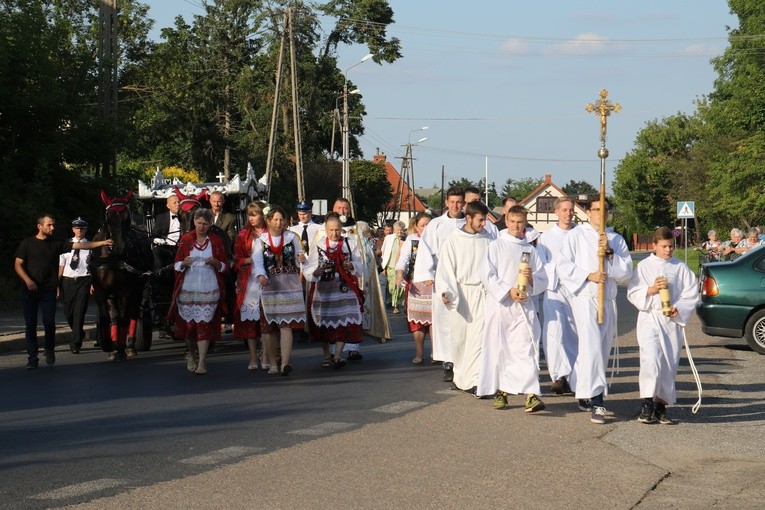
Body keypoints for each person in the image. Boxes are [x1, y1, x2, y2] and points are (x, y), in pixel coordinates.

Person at [557, 198, 633, 424]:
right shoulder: (576, 236)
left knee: (601, 348)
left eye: (605, 210)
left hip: (607, 300)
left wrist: (610, 253)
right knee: (592, 347)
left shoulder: (616, 239)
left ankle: (584, 391)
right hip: (586, 297)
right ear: (588, 212)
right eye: (596, 210)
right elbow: (563, 266)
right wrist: (588, 275)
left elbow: (626, 272)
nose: (600, 214)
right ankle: (598, 400)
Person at [14, 214, 113, 369]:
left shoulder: (57, 244)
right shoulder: (27, 244)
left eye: (53, 224)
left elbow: (80, 246)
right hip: (30, 290)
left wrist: (103, 242)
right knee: (30, 324)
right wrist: (27, 280)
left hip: (48, 290)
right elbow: (18, 264)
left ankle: (49, 350)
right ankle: (32, 358)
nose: (52, 227)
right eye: (49, 225)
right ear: (39, 226)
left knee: (49, 322)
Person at [479, 205, 548, 412]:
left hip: (524, 307)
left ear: (526, 223)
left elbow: (544, 278)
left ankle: (531, 395)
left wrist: (532, 280)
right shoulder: (496, 246)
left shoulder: (531, 249)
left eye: (521, 222)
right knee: (502, 349)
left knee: (526, 349)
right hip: (501, 307)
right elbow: (486, 274)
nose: (517, 226)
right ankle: (501, 392)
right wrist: (507, 290)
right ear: (507, 222)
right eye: (513, 222)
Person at [627, 227, 699, 424]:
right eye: (664, 246)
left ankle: (661, 406)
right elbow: (633, 292)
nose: (668, 250)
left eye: (671, 246)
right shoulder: (644, 266)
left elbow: (691, 292)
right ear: (654, 246)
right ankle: (647, 403)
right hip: (650, 317)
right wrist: (650, 290)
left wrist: (679, 309)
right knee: (651, 359)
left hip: (670, 321)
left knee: (668, 363)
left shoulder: (680, 267)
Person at [435, 201, 493, 392]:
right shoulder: (453, 239)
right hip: (460, 292)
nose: (484, 224)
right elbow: (445, 268)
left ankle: (474, 380)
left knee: (479, 337)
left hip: (481, 293)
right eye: (481, 220)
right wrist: (446, 291)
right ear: (468, 218)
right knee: (460, 338)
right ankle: (460, 376)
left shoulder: (489, 240)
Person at [413, 186, 467, 382]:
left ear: (464, 203)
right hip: (442, 278)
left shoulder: (468, 224)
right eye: (452, 202)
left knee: (463, 321)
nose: (455, 205)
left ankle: (463, 361)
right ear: (446, 203)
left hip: (464, 279)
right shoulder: (435, 225)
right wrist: (427, 273)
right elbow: (425, 250)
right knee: (444, 323)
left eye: (459, 202)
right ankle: (447, 362)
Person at [168, 208, 228, 375]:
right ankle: (192, 354)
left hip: (209, 287)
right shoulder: (186, 240)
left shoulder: (215, 241)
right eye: (199, 223)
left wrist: (217, 263)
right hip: (189, 287)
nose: (201, 226)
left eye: (205, 224)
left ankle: (202, 361)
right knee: (190, 326)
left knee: (204, 324)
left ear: (210, 224)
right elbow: (176, 265)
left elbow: (225, 266)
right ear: (194, 222)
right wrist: (184, 263)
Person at [305, 213, 364, 369]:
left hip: (343, 288)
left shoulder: (349, 244)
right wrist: (315, 272)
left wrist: (351, 266)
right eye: (331, 230)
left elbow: (359, 264)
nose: (334, 233)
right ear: (326, 229)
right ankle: (327, 356)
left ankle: (337, 355)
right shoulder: (319, 245)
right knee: (323, 323)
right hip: (324, 289)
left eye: (337, 230)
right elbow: (309, 267)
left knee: (344, 321)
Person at [252, 205, 306, 376]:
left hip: (289, 286)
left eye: (281, 219)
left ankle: (285, 363)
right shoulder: (260, 240)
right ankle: (273, 362)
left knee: (286, 325)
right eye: (275, 219)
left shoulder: (292, 238)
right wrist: (261, 276)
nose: (279, 222)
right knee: (270, 326)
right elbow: (258, 263)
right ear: (268, 221)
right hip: (270, 286)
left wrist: (302, 258)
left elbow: (300, 260)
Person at [536, 197, 578, 395]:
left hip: (576, 290)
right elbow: (541, 264)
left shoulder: (580, 234)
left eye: (571, 210)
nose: (568, 214)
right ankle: (558, 376)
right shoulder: (546, 238)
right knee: (554, 331)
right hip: (555, 289)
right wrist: (559, 271)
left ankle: (574, 375)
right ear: (556, 212)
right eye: (564, 210)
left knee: (574, 332)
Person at [233, 201, 267, 370]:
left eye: (255, 214)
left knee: (267, 320)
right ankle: (253, 357)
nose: (251, 218)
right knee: (250, 322)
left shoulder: (272, 232)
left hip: (268, 280)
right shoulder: (243, 235)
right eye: (249, 215)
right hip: (250, 281)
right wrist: (247, 260)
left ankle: (266, 353)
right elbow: (236, 259)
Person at [395, 212, 432, 364]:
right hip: (416, 285)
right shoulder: (411, 240)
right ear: (416, 226)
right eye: (423, 225)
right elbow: (403, 258)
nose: (426, 228)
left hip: (434, 285)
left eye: (429, 225)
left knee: (434, 321)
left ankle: (435, 353)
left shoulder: (438, 240)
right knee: (417, 322)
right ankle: (419, 352)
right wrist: (399, 274)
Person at [58, 217, 92, 354]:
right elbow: (61, 265)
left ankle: (75, 342)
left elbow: (92, 266)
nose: (80, 231)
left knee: (79, 311)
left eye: (82, 228)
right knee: (68, 312)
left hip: (84, 280)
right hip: (68, 280)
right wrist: (57, 283)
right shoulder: (66, 245)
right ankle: (79, 332)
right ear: (73, 229)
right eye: (77, 228)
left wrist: (93, 283)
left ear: (86, 230)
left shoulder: (90, 245)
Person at [380, 220, 407, 313]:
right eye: (398, 230)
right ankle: (395, 302)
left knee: (399, 286)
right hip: (390, 266)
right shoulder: (389, 238)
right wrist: (384, 266)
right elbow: (384, 250)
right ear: (394, 230)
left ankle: (396, 305)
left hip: (400, 267)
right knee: (392, 286)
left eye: (401, 230)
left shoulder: (406, 240)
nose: (400, 232)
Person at [151, 193, 182, 271]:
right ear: (168, 206)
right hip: (166, 247)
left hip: (180, 248)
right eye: (174, 203)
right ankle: (159, 273)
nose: (177, 204)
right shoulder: (161, 217)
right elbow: (153, 235)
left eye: (179, 202)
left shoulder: (185, 216)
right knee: (156, 250)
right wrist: (157, 239)